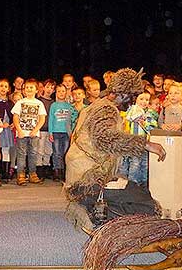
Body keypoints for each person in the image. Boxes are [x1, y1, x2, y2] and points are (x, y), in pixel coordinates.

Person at [64, 68, 166, 229]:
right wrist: (146, 144)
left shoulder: (97, 105)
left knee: (135, 191)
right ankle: (92, 209)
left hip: (84, 178)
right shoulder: (106, 109)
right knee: (147, 204)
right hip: (87, 180)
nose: (133, 102)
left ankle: (89, 204)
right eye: (132, 97)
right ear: (122, 94)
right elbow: (105, 139)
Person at [11, 78, 46, 186]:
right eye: (27, 88)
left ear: (36, 90)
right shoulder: (20, 102)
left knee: (33, 154)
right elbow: (15, 117)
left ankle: (32, 174)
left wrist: (35, 130)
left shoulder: (39, 103)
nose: (29, 89)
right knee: (21, 154)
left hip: (34, 134)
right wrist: (19, 130)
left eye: (31, 87)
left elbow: (42, 119)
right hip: (22, 133)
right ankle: (20, 175)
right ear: (23, 90)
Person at [48, 84, 72, 182]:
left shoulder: (69, 106)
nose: (61, 93)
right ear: (56, 93)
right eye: (59, 91)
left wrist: (71, 133)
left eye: (63, 91)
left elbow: (71, 120)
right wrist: (50, 132)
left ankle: (64, 171)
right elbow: (51, 119)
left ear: (66, 92)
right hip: (56, 132)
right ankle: (57, 171)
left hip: (66, 133)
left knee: (65, 153)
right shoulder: (54, 105)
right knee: (57, 152)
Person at [0, 78, 14, 182]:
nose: (3, 88)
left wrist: (12, 124)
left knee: (5, 150)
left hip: (7, 130)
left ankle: (6, 173)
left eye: (5, 86)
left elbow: (15, 116)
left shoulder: (11, 103)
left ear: (8, 89)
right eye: (1, 86)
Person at [36, 78, 56, 179]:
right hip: (40, 129)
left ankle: (46, 167)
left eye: (52, 88)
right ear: (43, 87)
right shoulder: (38, 101)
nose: (49, 89)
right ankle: (39, 169)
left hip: (50, 130)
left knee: (49, 150)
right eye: (47, 87)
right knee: (40, 149)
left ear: (54, 90)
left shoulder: (53, 102)